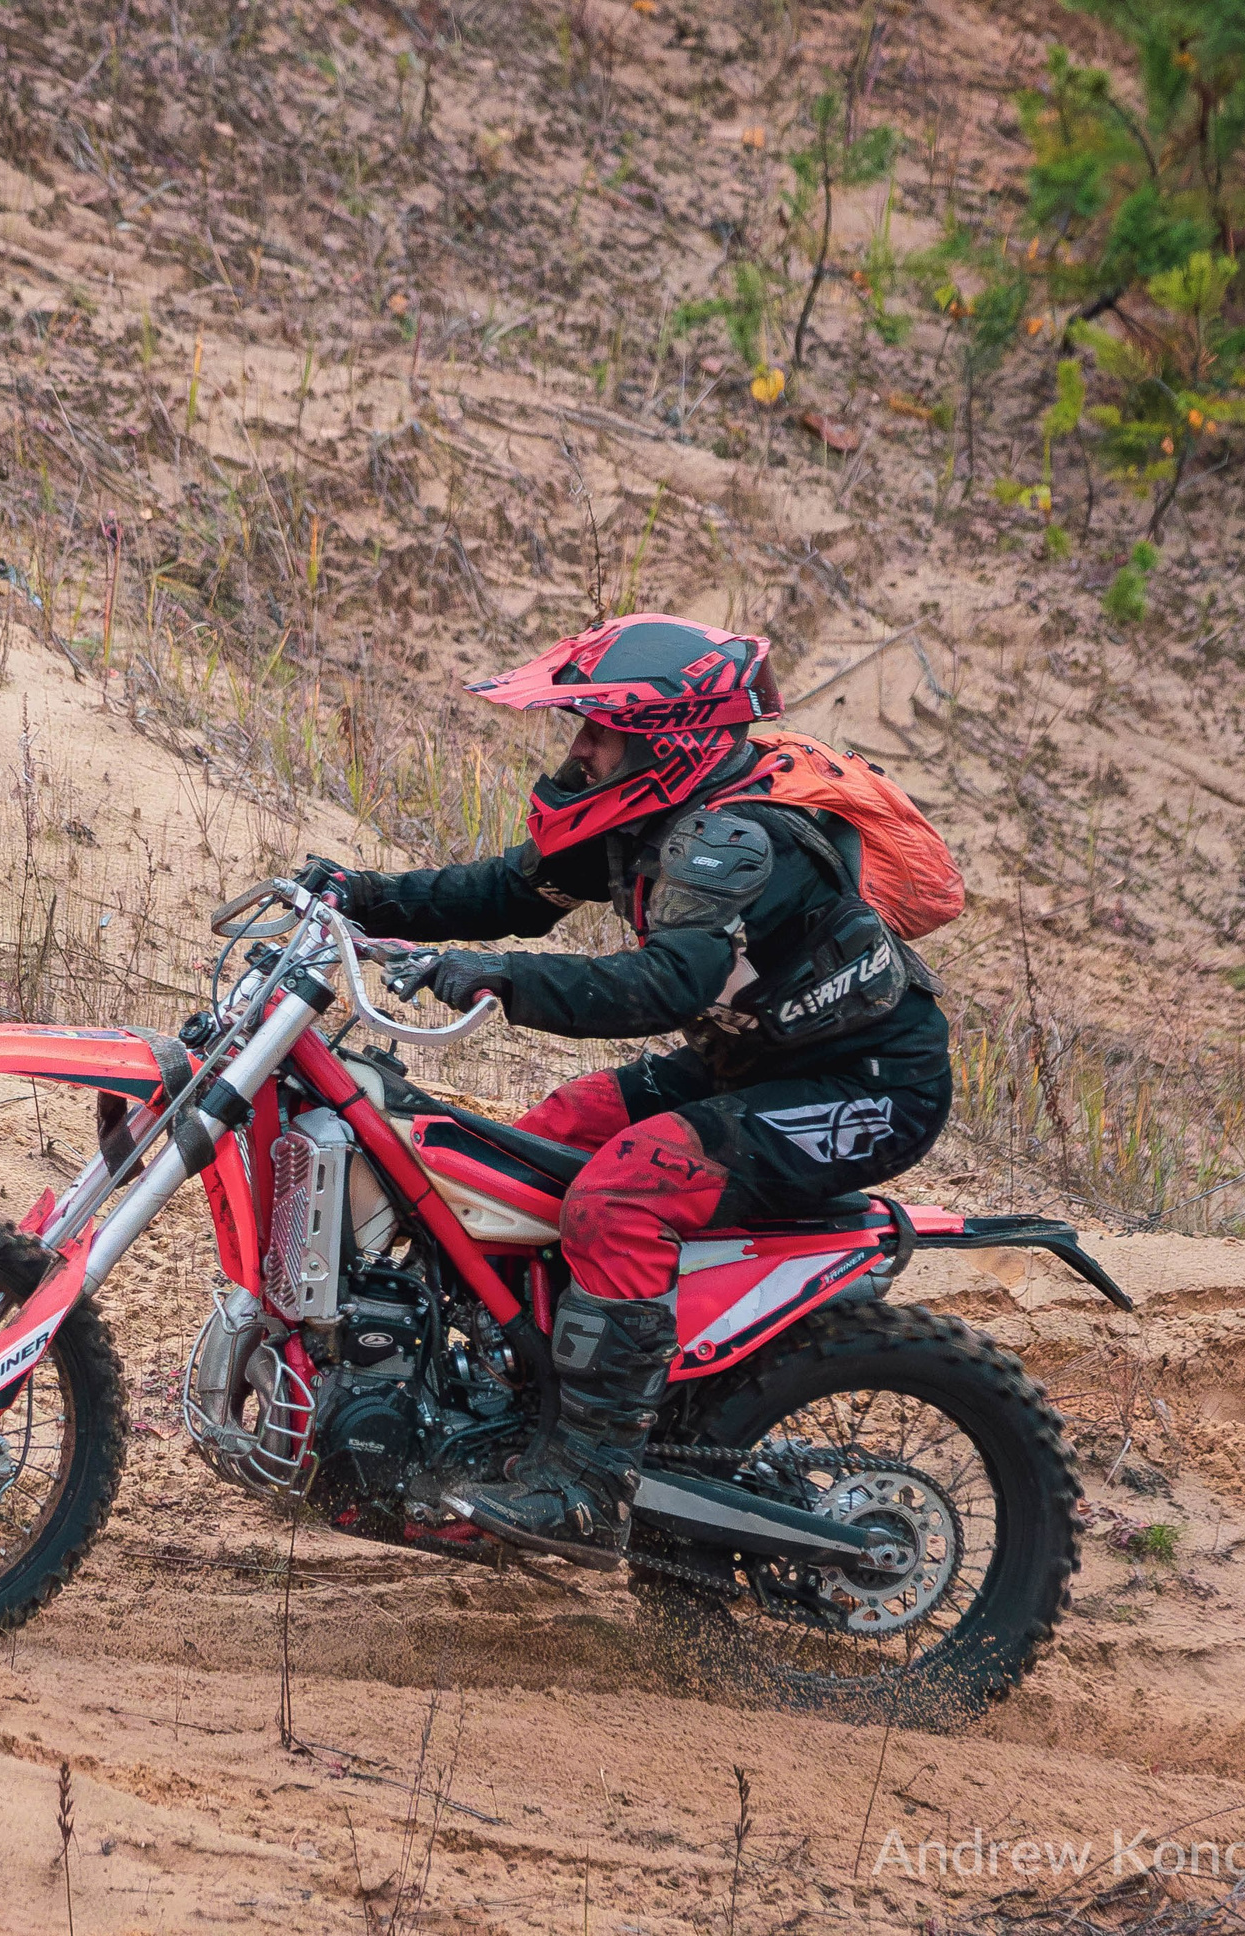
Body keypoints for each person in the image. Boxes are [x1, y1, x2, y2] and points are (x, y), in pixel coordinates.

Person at [300, 613, 958, 1562]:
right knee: (532, 1147)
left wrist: (500, 980)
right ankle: (507, 1394)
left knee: (622, 1191)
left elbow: (670, 986)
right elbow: (511, 893)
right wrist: (358, 894)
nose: (578, 750)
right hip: (754, 1060)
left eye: (598, 731)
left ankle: (586, 1483)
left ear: (670, 738)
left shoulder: (736, 841)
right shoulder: (644, 815)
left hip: (868, 1087)